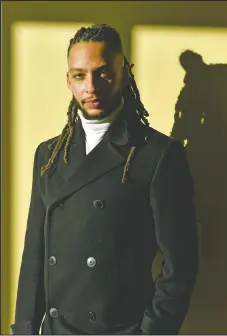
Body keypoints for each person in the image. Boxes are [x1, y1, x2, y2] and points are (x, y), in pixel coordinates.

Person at [10, 24, 198, 335]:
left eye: (103, 73)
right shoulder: (49, 156)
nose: (91, 87)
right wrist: (24, 329)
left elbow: (181, 263)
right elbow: (34, 256)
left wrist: (151, 332)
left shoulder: (157, 155)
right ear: (68, 80)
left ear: (123, 74)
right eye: (80, 75)